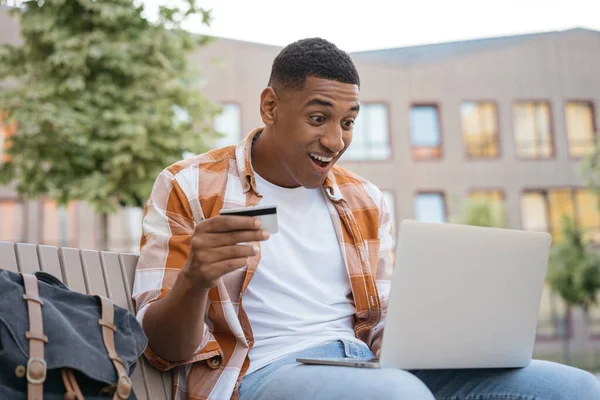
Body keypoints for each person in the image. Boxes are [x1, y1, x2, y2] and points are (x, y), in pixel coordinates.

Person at [132, 38, 600, 400]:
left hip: (367, 369)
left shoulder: (365, 200)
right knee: (399, 394)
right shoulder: (191, 186)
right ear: (271, 107)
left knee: (576, 389)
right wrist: (194, 279)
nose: (336, 140)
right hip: (262, 374)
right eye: (319, 118)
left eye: (349, 122)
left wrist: (437, 329)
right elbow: (163, 348)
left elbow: (380, 325)